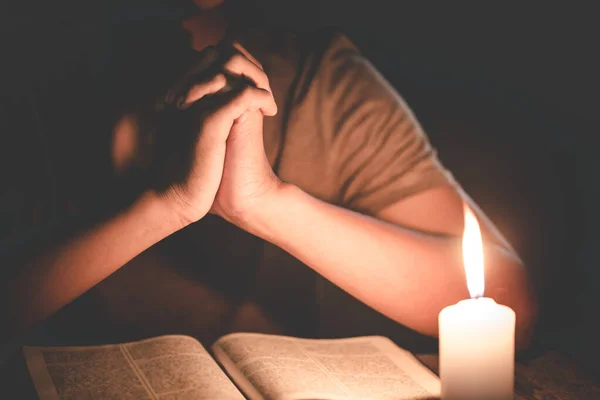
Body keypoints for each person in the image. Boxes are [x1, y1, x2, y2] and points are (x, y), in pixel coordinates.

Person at [0, 0, 537, 356]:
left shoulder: (315, 83)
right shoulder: (32, 82)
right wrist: (167, 206)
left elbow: (511, 304)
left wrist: (264, 201)